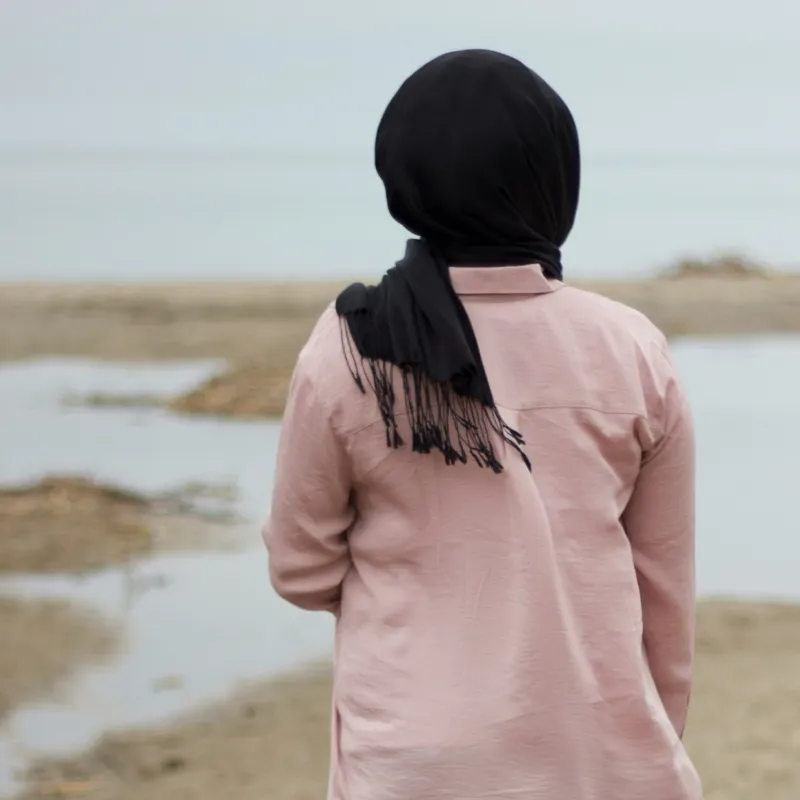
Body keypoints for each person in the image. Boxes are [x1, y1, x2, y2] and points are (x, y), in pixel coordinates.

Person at [264, 49, 701, 800]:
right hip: (597, 758)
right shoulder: (631, 349)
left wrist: (418, 593)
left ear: (403, 175)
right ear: (553, 178)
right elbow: (664, 593)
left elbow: (299, 570)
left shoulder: (351, 347)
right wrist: (645, 743)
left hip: (412, 763)